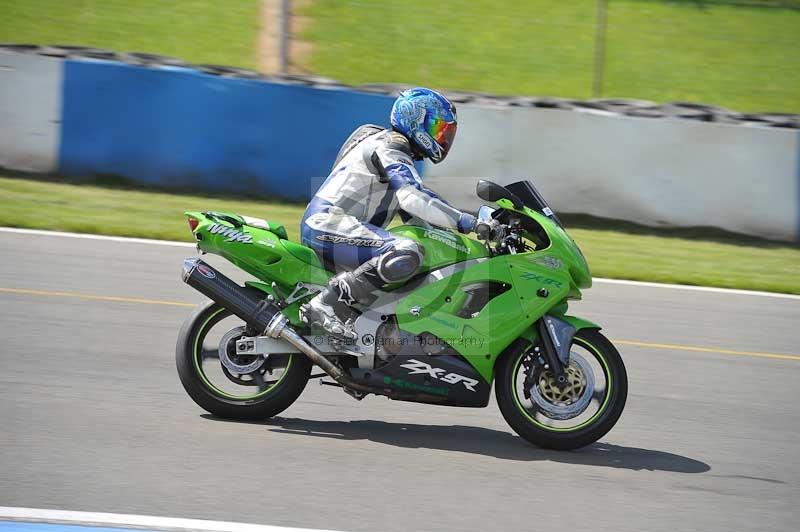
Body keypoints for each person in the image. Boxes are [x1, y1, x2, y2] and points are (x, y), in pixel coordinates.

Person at [299, 87, 485, 339]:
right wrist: (470, 223)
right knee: (406, 251)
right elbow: (412, 198)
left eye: (445, 131)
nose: (442, 137)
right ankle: (327, 303)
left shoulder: (395, 151)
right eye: (437, 128)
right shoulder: (390, 145)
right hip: (328, 223)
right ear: (414, 119)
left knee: (422, 252)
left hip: (337, 227)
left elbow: (422, 217)